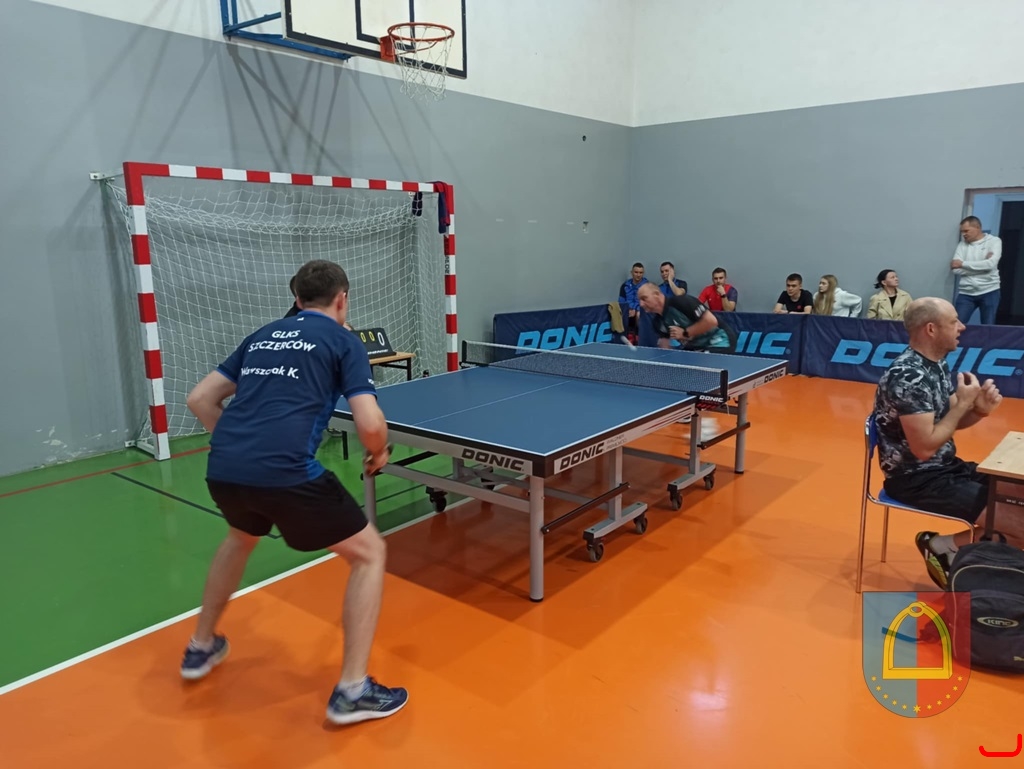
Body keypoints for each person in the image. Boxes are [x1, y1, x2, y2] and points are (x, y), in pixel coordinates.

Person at [181, 259, 408, 726]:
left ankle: (200, 646)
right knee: (369, 554)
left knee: (240, 538)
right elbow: (369, 423)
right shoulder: (344, 341)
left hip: (225, 467)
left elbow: (199, 399)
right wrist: (378, 453)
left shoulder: (262, 335)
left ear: (297, 298)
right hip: (286, 472)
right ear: (342, 299)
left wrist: (239, 445)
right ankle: (353, 691)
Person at [873, 297, 1004, 589]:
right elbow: (924, 448)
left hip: (946, 467)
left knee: (1014, 493)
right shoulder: (908, 377)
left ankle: (950, 548)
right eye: (954, 321)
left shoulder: (936, 364)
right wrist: (964, 404)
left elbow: (947, 423)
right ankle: (945, 547)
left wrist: (978, 411)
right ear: (931, 329)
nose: (962, 326)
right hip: (915, 479)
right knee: (1017, 520)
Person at [637, 283, 735, 353]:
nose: (641, 304)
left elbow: (711, 321)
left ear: (656, 294)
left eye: (644, 298)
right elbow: (665, 346)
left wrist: (685, 333)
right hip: (698, 347)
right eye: (639, 300)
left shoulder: (681, 302)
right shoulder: (657, 322)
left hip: (720, 340)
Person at [951, 216, 1002, 325]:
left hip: (990, 290)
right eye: (962, 232)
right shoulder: (962, 245)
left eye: (966, 231)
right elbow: (955, 269)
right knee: (956, 325)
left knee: (988, 327)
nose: (964, 234)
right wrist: (983, 267)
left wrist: (963, 264)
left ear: (978, 227)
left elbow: (991, 264)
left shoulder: (994, 241)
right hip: (966, 292)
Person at [618, 263, 649, 342]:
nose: (638, 275)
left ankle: (639, 338)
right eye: (636, 272)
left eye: (640, 272)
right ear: (631, 272)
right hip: (628, 310)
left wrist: (635, 309)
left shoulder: (647, 286)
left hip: (641, 311)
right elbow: (621, 302)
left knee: (639, 314)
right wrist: (628, 309)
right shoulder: (625, 286)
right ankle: (628, 336)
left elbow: (647, 302)